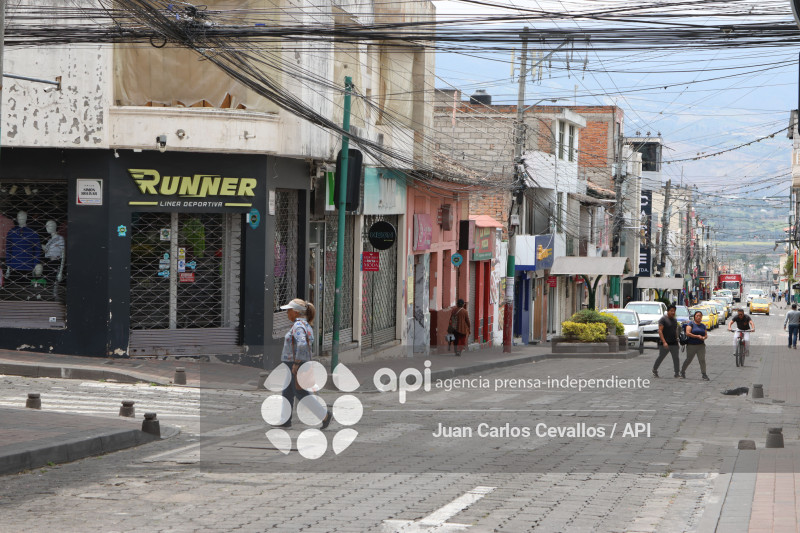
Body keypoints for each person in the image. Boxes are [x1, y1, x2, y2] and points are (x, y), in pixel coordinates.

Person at [276, 298, 331, 429]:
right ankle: (285, 420)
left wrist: (296, 363)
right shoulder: (304, 325)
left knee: (300, 393)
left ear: (295, 312)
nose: (287, 313)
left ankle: (325, 415)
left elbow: (302, 344)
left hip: (296, 363)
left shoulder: (298, 326)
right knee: (287, 392)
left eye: (289, 310)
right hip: (296, 363)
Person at [653, 305, 680, 378]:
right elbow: (660, 331)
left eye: (674, 311)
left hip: (673, 342)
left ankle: (677, 373)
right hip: (665, 343)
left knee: (676, 358)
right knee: (661, 357)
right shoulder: (663, 319)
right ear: (668, 311)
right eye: (671, 311)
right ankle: (655, 369)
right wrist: (664, 342)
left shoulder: (674, 320)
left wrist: (677, 340)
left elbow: (675, 331)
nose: (673, 312)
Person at [681, 311, 709, 381]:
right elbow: (688, 333)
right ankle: (682, 371)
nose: (699, 317)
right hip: (691, 345)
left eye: (700, 316)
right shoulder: (691, 323)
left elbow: (706, 335)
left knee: (702, 360)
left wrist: (704, 337)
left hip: (701, 345)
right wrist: (697, 336)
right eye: (697, 316)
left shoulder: (703, 325)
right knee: (688, 360)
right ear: (694, 316)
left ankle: (704, 374)